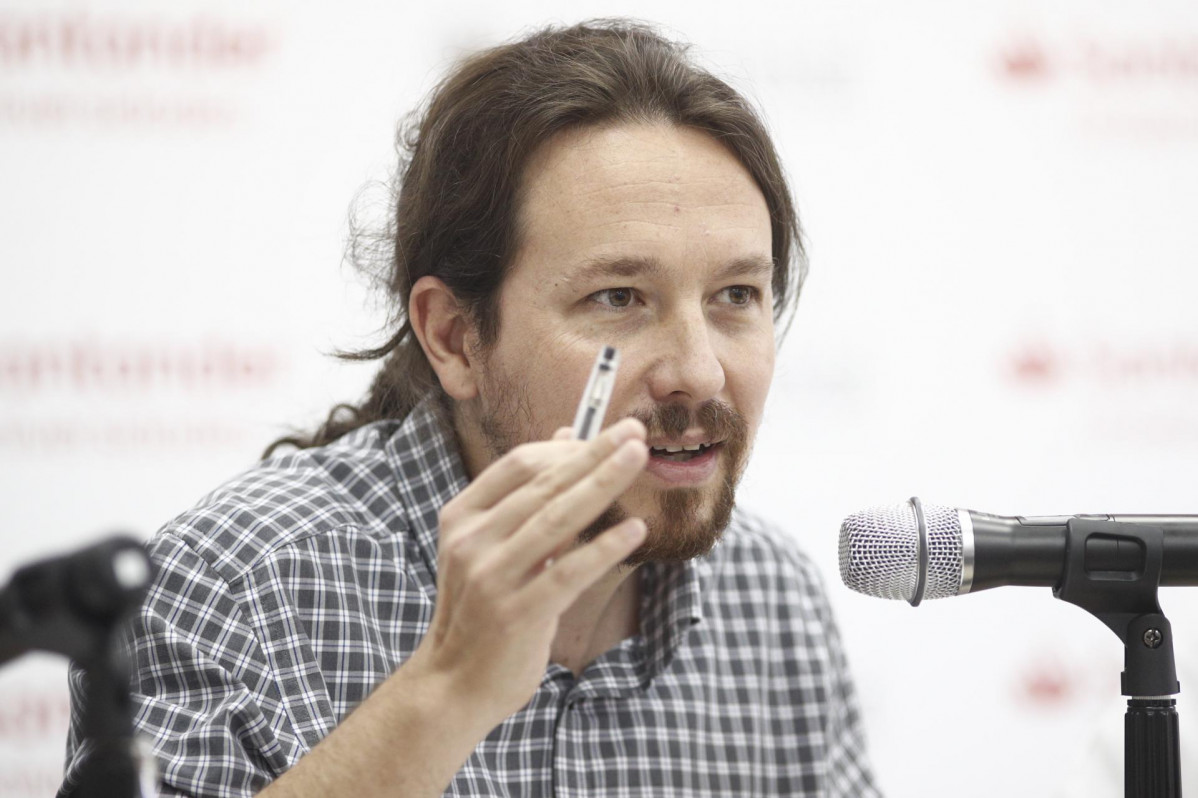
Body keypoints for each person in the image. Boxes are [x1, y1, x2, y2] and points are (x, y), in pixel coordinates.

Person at [61, 19, 880, 798]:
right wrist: (448, 688)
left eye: (737, 294)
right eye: (619, 297)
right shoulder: (226, 588)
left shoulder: (770, 595)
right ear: (454, 337)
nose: (698, 374)